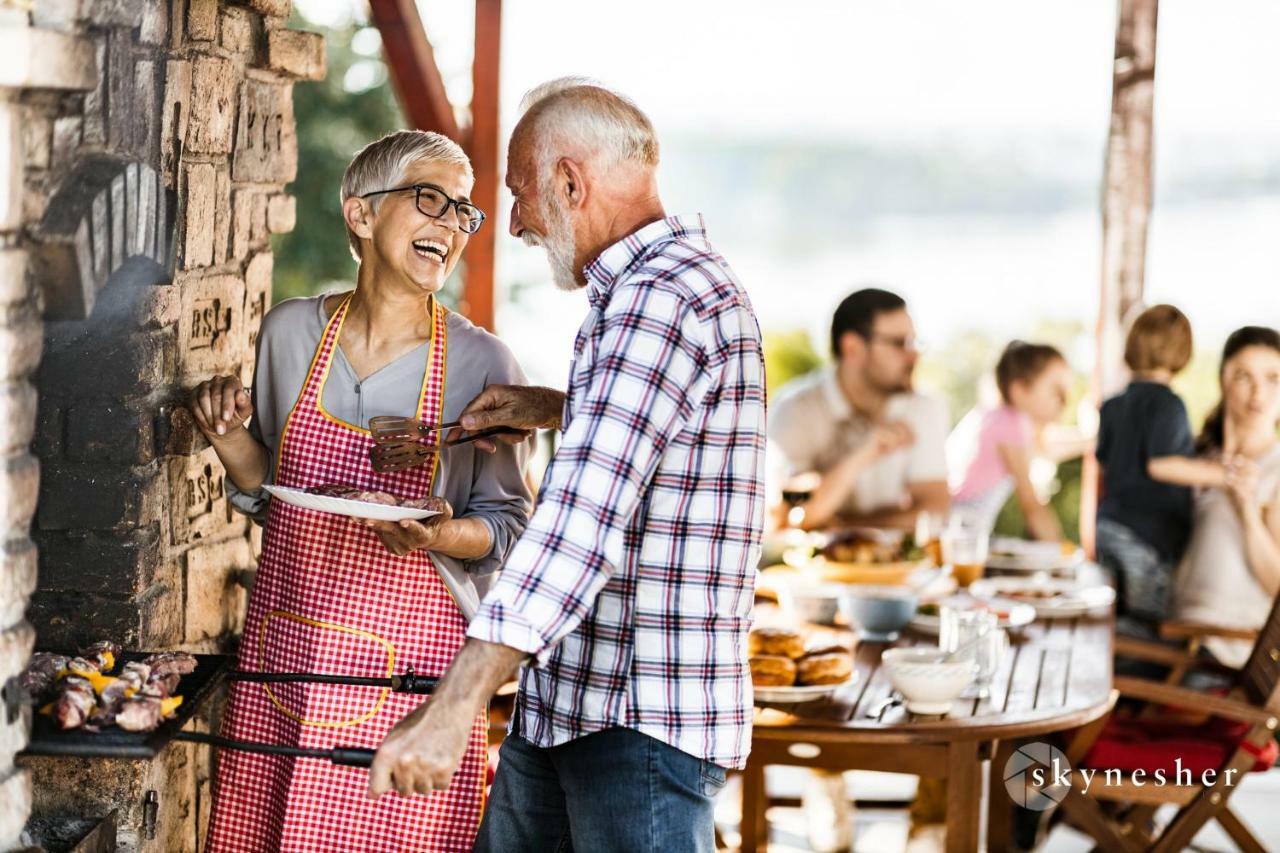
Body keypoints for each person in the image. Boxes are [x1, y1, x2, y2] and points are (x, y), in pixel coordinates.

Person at [366, 80, 767, 853]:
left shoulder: (659, 302)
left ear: (570, 182)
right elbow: (658, 444)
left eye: (520, 196)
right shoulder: (665, 291)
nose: (513, 224)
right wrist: (557, 407)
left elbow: (580, 525)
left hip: (634, 727)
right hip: (571, 707)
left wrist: (457, 703)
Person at [196, 130, 531, 852]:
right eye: (429, 200)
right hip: (287, 664)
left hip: (407, 685)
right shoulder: (289, 334)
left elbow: (505, 526)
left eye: (461, 212)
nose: (450, 224)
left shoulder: (482, 361)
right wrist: (227, 437)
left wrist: (439, 531)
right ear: (361, 214)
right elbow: (271, 490)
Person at [1096, 304, 1238, 634]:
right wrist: (1220, 474)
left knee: (1112, 621)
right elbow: (1163, 465)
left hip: (1110, 525)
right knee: (1143, 626)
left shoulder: (1113, 404)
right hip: (1147, 536)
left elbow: (1105, 459)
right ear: (1182, 352)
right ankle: (1134, 683)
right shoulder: (1168, 403)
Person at [769, 287, 950, 532]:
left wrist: (844, 528)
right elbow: (787, 515)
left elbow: (935, 512)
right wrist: (865, 453)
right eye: (899, 344)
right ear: (852, 348)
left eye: (913, 343)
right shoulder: (796, 409)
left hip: (894, 568)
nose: (913, 356)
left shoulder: (922, 408)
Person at [1173, 326, 1280, 668]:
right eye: (1244, 376)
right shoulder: (1196, 458)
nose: (1258, 393)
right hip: (1172, 637)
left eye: (1273, 378)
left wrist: (1247, 509)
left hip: (1222, 659)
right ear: (1223, 381)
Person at [949, 340, 1077, 539]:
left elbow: (1050, 446)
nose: (1064, 401)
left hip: (959, 531)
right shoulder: (1010, 426)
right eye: (1056, 391)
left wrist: (1095, 440)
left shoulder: (996, 417)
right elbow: (1032, 506)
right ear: (1020, 390)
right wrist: (1061, 554)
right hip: (957, 530)